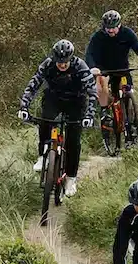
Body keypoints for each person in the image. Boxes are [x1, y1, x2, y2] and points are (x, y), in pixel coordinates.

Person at [18, 38, 98, 198]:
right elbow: (33, 85)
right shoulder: (47, 65)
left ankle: (71, 179)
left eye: (65, 62)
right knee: (45, 121)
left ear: (71, 58)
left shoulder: (80, 67)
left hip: (76, 101)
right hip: (54, 99)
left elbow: (92, 92)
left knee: (73, 139)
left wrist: (89, 115)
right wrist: (24, 106)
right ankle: (42, 156)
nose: (62, 65)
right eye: (59, 62)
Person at [86, 9, 138, 112]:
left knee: (128, 90)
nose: (110, 30)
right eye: (108, 28)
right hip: (104, 70)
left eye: (113, 28)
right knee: (101, 85)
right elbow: (89, 54)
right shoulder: (98, 37)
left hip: (123, 69)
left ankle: (129, 114)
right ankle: (104, 112)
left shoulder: (127, 33)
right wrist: (92, 67)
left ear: (119, 25)